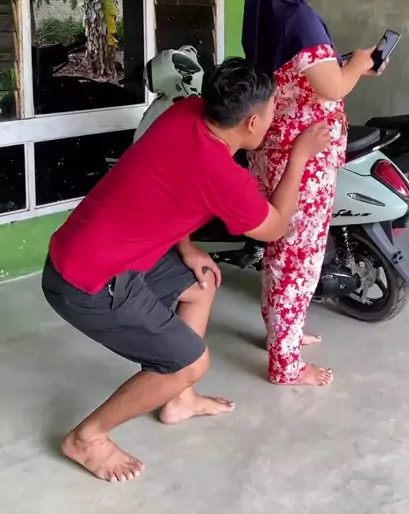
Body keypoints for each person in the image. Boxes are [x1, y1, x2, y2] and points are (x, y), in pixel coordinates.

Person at [42, 57, 330, 482]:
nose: (274, 118)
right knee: (190, 362)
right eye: (272, 110)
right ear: (252, 123)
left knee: (202, 282)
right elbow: (275, 227)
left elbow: (163, 185)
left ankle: (179, 400)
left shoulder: (187, 112)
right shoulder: (223, 176)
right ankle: (87, 438)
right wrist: (300, 157)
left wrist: (187, 246)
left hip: (90, 250)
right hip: (88, 282)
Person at [242, 0, 383, 388]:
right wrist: (358, 63)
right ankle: (286, 363)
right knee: (298, 255)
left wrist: (348, 66)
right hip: (301, 159)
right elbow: (332, 86)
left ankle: (282, 331)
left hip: (274, 150)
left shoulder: (267, 12)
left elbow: (303, 76)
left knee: (280, 248)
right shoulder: (299, 17)